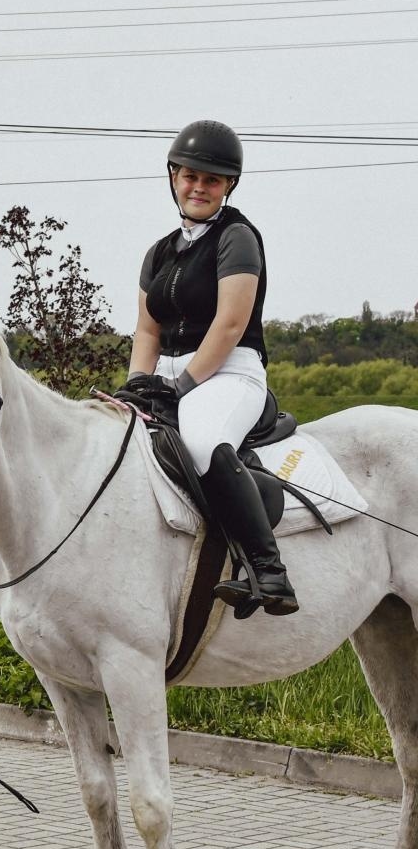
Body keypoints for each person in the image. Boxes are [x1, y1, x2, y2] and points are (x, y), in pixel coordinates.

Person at [123, 120, 296, 617]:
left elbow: (230, 323)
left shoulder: (237, 237)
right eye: (190, 176)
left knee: (201, 441)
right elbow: (147, 331)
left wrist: (181, 385)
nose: (199, 186)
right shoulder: (158, 252)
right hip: (172, 379)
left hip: (229, 372)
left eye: (212, 180)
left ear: (228, 186)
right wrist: (139, 385)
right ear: (174, 177)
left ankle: (268, 571)